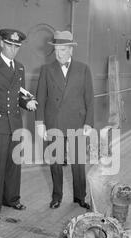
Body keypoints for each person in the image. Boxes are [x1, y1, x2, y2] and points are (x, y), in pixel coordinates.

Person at [0, 28, 38, 221]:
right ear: (2, 43)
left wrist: (26, 102)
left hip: (15, 124)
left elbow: (17, 92)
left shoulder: (19, 67)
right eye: (10, 45)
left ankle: (11, 199)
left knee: (13, 165)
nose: (13, 49)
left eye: (17, 46)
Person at [36, 30, 94, 210]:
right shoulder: (46, 70)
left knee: (78, 163)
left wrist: (89, 123)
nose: (59, 54)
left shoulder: (83, 69)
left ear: (71, 50)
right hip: (54, 122)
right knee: (55, 161)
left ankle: (79, 196)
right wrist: (39, 124)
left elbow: (89, 98)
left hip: (77, 122)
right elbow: (41, 98)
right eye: (57, 50)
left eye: (63, 50)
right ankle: (57, 196)